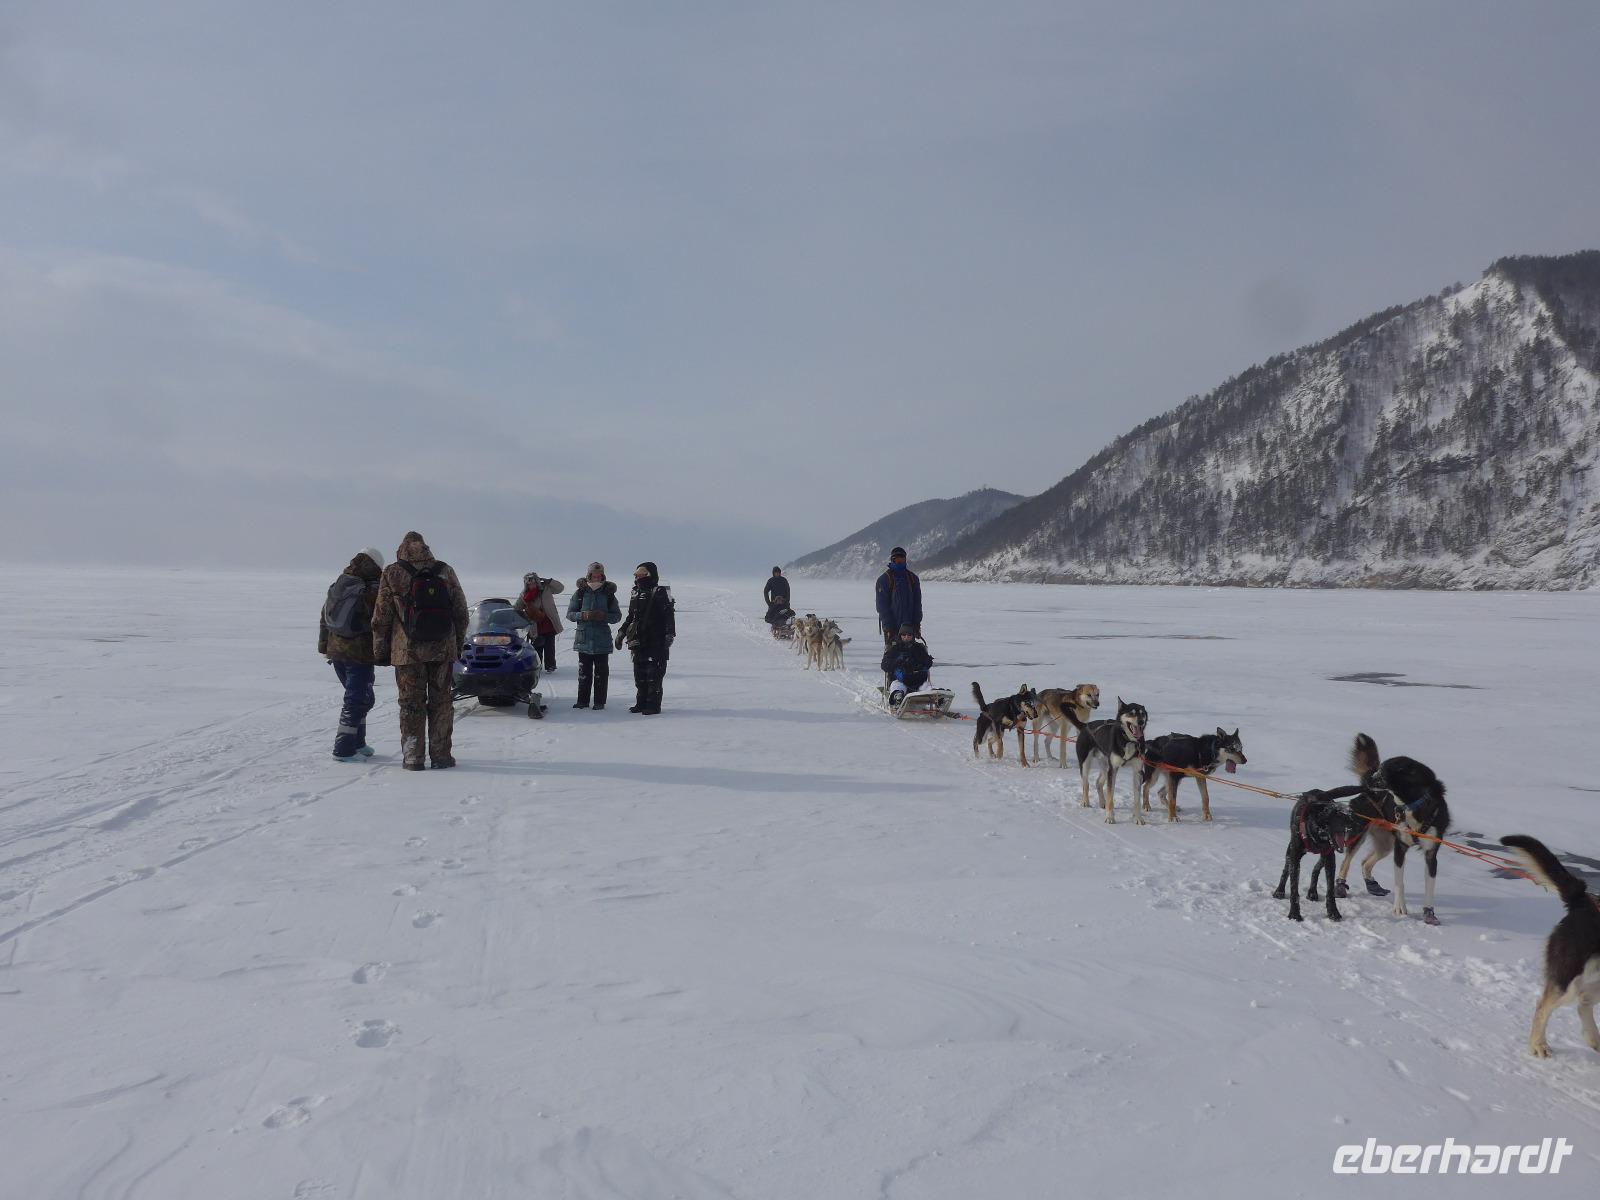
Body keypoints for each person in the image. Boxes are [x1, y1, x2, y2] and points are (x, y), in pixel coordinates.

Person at [372, 531, 470, 770]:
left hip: (406, 652)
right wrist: (456, 646)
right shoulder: (445, 571)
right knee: (442, 702)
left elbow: (381, 617)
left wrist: (380, 650)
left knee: (410, 704)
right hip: (442, 650)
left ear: (401, 548)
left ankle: (413, 757)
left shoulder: (392, 573)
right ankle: (441, 756)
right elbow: (461, 612)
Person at [318, 546, 385, 761]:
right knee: (357, 699)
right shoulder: (372, 589)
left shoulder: (340, 584)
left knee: (359, 696)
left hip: (336, 651)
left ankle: (358, 742)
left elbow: (324, 616)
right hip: (359, 653)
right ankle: (343, 748)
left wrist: (324, 647)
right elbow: (381, 621)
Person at [616, 561, 675, 715]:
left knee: (653, 676)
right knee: (639, 675)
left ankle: (653, 705)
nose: (639, 577)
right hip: (638, 640)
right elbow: (631, 616)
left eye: (643, 574)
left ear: (650, 575)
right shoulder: (635, 592)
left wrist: (670, 634)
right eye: (637, 574)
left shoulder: (659, 592)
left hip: (656, 640)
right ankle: (641, 703)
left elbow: (669, 614)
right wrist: (621, 632)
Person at [565, 561, 622, 709]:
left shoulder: (608, 594)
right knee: (584, 673)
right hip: (583, 640)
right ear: (589, 575)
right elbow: (570, 614)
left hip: (602, 640)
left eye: (599, 575)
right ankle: (582, 701)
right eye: (594, 575)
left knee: (601, 674)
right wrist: (584, 616)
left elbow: (617, 616)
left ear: (603, 576)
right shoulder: (580, 593)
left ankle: (599, 702)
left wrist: (603, 616)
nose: (596, 578)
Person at [514, 570, 565, 672]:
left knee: (550, 646)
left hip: (549, 622)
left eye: (533, 583)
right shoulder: (524, 595)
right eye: (529, 584)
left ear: (537, 581)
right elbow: (517, 607)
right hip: (535, 624)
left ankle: (550, 666)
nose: (531, 585)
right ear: (526, 584)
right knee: (537, 646)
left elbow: (560, 588)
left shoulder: (546, 588)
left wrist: (550, 581)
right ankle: (537, 665)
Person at [874, 546, 923, 646]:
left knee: (911, 655)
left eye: (902, 559)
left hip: (909, 626)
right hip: (892, 626)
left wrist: (917, 624)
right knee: (892, 655)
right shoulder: (884, 580)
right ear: (892, 560)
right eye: (897, 560)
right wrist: (888, 627)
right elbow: (882, 607)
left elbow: (917, 604)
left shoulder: (913, 579)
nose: (900, 562)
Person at [881, 623, 934, 707]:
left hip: (917, 680)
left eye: (909, 635)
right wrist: (897, 664)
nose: (906, 637)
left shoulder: (919, 648)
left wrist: (920, 664)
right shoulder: (894, 649)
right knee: (897, 685)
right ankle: (897, 697)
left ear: (913, 636)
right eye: (904, 635)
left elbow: (928, 662)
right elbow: (884, 665)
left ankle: (937, 698)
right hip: (900, 680)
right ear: (900, 635)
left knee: (926, 687)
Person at [763, 566, 794, 633]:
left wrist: (787, 601)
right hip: (774, 603)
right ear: (773, 573)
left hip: (784, 602)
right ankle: (775, 625)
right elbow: (765, 591)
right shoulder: (771, 581)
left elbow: (788, 591)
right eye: (775, 573)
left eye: (778, 573)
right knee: (771, 616)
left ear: (780, 573)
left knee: (788, 614)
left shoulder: (784, 580)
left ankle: (786, 626)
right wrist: (769, 602)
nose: (777, 574)